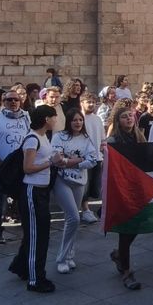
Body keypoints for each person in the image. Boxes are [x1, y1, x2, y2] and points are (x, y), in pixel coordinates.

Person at [7, 105, 59, 292]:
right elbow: (27, 168)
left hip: (42, 192)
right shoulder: (32, 139)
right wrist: (50, 162)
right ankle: (35, 279)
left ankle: (21, 267)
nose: (56, 120)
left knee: (39, 233)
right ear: (46, 119)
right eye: (54, 116)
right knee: (37, 235)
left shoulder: (44, 137)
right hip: (32, 191)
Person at [105, 104, 148, 290]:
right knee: (126, 228)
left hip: (138, 188)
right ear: (117, 120)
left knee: (136, 225)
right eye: (124, 117)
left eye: (131, 116)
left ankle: (119, 255)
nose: (129, 119)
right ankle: (127, 272)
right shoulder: (113, 140)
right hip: (122, 189)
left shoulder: (140, 137)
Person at [50, 110, 98, 272]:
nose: (78, 123)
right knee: (74, 218)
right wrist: (79, 160)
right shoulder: (59, 136)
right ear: (68, 121)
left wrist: (74, 162)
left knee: (70, 219)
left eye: (80, 120)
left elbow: (92, 160)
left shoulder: (86, 138)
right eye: (74, 120)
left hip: (79, 181)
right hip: (62, 181)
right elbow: (57, 160)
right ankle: (61, 259)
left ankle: (70, 255)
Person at [0, 90, 32, 246]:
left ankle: (27, 230)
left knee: (24, 200)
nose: (13, 102)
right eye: (9, 100)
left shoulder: (26, 118)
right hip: (1, 168)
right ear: (4, 102)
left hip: (21, 168)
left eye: (16, 100)